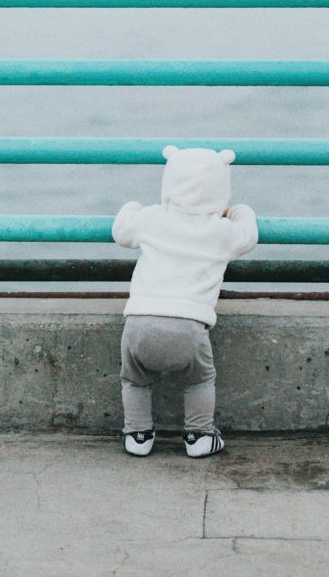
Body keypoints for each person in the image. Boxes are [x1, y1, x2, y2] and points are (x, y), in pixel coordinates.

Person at [112, 146, 258, 458]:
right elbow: (247, 236)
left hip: (139, 323)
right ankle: (199, 435)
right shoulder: (221, 231)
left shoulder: (152, 218)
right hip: (189, 328)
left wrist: (132, 206)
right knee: (199, 381)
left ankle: (137, 436)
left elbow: (121, 231)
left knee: (135, 382)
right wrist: (239, 211)